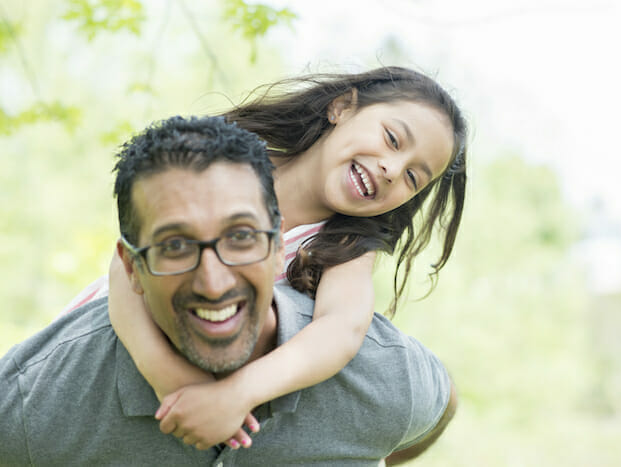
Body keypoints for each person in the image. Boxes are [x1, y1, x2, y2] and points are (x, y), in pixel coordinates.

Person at [0, 115, 456, 465]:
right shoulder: (35, 396)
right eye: (176, 246)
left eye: (241, 237)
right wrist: (170, 379)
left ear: (279, 245)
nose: (214, 281)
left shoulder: (375, 357)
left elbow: (435, 398)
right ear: (135, 266)